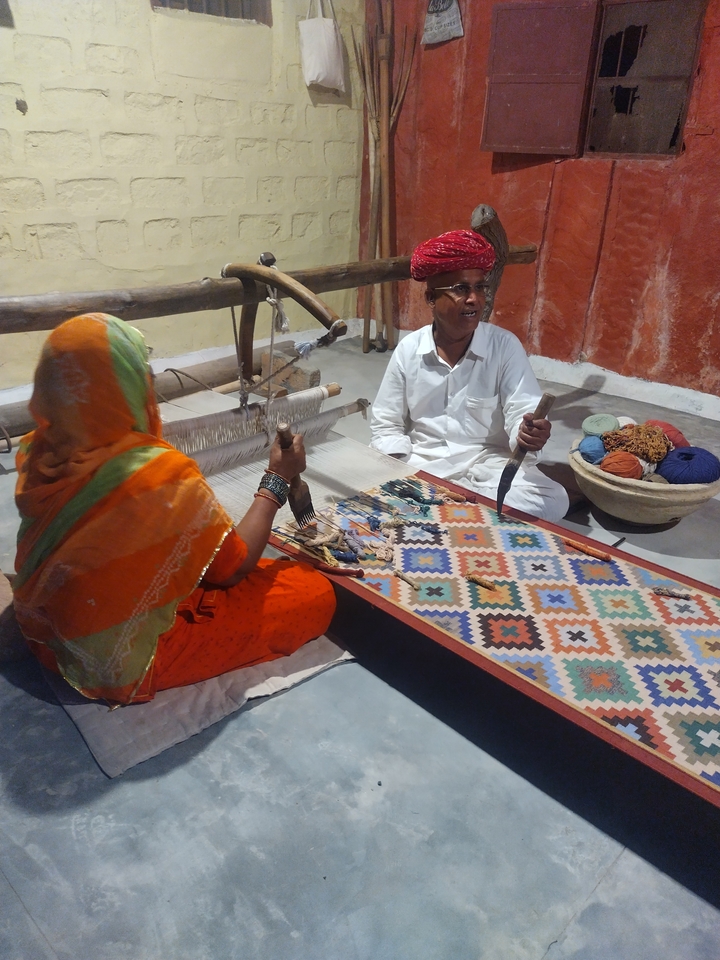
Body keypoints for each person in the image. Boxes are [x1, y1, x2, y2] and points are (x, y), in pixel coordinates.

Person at [12, 313, 336, 705]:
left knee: (240, 566)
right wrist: (277, 478)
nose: (149, 381)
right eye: (141, 371)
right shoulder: (157, 475)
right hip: (113, 667)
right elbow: (232, 569)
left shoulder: (36, 449)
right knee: (312, 591)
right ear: (124, 386)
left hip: (45, 635)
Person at [370, 229, 569, 522]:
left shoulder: (504, 346)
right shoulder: (409, 350)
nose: (475, 299)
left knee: (555, 499)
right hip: (426, 465)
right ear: (431, 298)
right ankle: (467, 517)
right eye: (461, 289)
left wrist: (527, 433)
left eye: (480, 288)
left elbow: (522, 410)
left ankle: (445, 515)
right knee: (371, 482)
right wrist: (401, 472)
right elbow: (385, 425)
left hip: (488, 467)